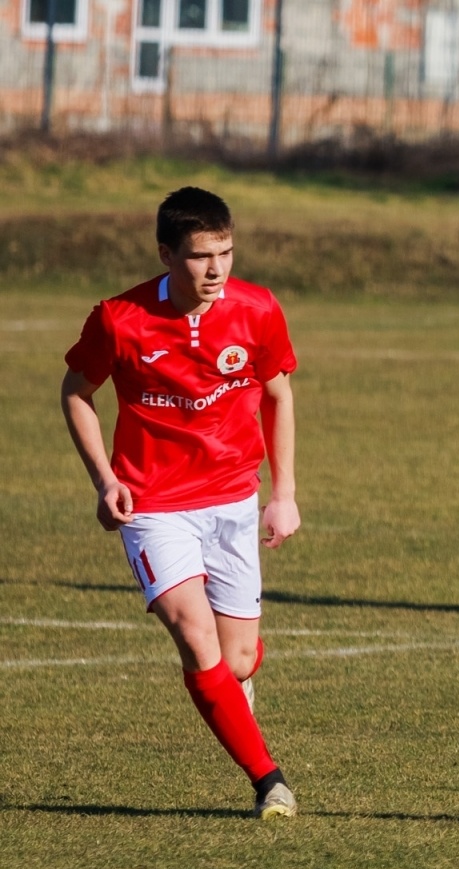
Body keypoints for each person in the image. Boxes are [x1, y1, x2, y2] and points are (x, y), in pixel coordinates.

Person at [60, 186, 302, 819]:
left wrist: (285, 495)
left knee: (239, 658)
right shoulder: (120, 319)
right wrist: (105, 480)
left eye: (224, 252)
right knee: (197, 641)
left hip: (232, 501)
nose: (216, 269)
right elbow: (76, 393)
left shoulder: (257, 310)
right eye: (200, 257)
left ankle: (232, 687)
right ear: (167, 253)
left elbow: (278, 397)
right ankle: (269, 781)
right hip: (154, 503)